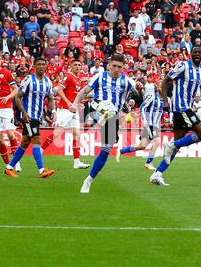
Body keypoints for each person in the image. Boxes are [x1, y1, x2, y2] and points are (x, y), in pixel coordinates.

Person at [150, 46, 201, 186]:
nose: (197, 54)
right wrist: (165, 100)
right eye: (195, 52)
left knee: (176, 145)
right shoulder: (183, 66)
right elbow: (166, 80)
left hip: (186, 108)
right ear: (191, 54)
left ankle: (157, 173)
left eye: (199, 52)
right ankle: (171, 145)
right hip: (181, 107)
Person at [70, 54, 138, 193]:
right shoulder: (99, 77)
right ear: (108, 65)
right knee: (102, 109)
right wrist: (75, 103)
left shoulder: (127, 81)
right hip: (98, 108)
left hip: (113, 117)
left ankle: (88, 180)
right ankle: (92, 118)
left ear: (123, 67)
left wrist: (133, 101)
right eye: (114, 66)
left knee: (106, 149)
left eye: (119, 67)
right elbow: (84, 91)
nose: (116, 69)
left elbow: (137, 95)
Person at [4, 57, 56, 179]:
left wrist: (53, 110)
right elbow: (17, 97)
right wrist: (24, 113)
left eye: (44, 64)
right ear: (34, 66)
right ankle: (42, 170)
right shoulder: (28, 79)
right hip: (28, 116)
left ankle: (9, 168)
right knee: (36, 140)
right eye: (39, 64)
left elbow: (51, 98)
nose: (42, 66)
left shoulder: (48, 81)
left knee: (25, 143)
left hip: (37, 117)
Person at [40, 60, 90, 169]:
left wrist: (79, 103)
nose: (77, 67)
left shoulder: (79, 79)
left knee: (76, 134)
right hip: (64, 110)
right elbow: (59, 90)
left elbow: (75, 95)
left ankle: (76, 162)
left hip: (73, 110)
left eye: (79, 65)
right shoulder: (69, 76)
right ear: (71, 66)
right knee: (57, 133)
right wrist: (68, 102)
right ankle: (40, 151)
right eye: (75, 65)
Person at [116, 76, 164, 170]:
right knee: (157, 141)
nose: (163, 88)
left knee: (142, 145)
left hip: (156, 125)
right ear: (158, 87)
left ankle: (121, 151)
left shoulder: (166, 99)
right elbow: (142, 107)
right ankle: (148, 163)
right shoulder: (152, 97)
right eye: (161, 86)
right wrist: (144, 120)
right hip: (150, 124)